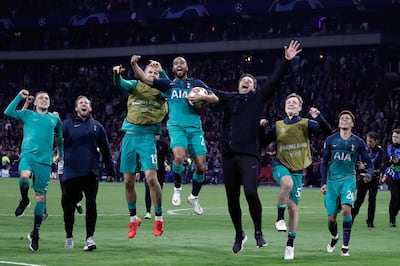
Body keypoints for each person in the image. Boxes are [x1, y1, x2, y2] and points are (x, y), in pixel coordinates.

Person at [192, 40, 302, 254]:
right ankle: (239, 233)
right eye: (243, 80)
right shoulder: (229, 98)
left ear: (254, 87)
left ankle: (258, 232)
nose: (246, 82)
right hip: (229, 155)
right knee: (232, 198)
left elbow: (274, 81)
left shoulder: (257, 99)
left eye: (250, 81)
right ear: (238, 85)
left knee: (251, 192)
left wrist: (286, 62)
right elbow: (210, 91)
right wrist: (196, 90)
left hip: (249, 155)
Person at [131, 55, 213, 215]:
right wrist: (134, 64)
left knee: (201, 167)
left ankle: (194, 197)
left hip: (195, 129)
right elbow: (146, 79)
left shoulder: (197, 84)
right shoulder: (169, 85)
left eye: (182, 62)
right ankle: (177, 186)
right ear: (173, 69)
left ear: (187, 67)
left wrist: (203, 97)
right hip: (177, 127)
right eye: (175, 63)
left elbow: (214, 98)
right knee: (179, 157)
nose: (179, 65)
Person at [265, 93, 332, 260]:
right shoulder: (278, 125)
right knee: (286, 184)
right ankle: (279, 219)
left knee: (293, 209)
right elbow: (262, 140)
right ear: (285, 106)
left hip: (297, 169)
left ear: (300, 108)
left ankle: (290, 244)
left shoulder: (306, 124)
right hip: (280, 163)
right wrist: (261, 127)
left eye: (295, 102)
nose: (291, 104)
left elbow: (328, 132)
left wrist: (319, 117)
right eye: (289, 102)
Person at [4, 89, 63, 252]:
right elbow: (8, 111)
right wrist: (20, 97)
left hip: (44, 161)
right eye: (41, 98)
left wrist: (61, 153)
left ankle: (35, 233)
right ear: (35, 102)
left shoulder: (54, 119)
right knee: (24, 176)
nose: (44, 100)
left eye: (47, 98)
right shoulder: (28, 115)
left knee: (41, 198)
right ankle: (24, 200)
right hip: (28, 156)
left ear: (49, 103)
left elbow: (59, 136)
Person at [113, 60, 166, 237]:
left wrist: (162, 71)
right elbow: (119, 83)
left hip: (148, 138)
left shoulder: (162, 89)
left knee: (151, 178)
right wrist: (116, 74)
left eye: (155, 73)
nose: (153, 75)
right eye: (150, 72)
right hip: (129, 136)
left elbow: (171, 86)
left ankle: (159, 218)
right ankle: (133, 218)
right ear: (143, 73)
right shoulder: (135, 85)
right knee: (128, 181)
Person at [61, 95, 115, 251]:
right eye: (81, 103)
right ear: (76, 108)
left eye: (86, 103)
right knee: (68, 206)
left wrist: (110, 171)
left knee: (91, 203)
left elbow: (105, 150)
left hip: (91, 170)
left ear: (90, 108)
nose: (84, 105)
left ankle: (89, 238)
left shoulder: (97, 127)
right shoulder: (66, 125)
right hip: (71, 171)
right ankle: (69, 236)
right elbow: (55, 141)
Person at [320, 110, 373, 257]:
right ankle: (335, 237)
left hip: (348, 180)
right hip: (331, 182)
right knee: (331, 219)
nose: (344, 119)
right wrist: (323, 182)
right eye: (342, 118)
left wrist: (368, 174)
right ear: (338, 123)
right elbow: (324, 163)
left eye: (347, 118)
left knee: (346, 210)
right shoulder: (330, 140)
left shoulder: (358, 142)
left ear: (352, 123)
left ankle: (345, 246)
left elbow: (369, 163)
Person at [351, 131, 386, 228]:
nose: (368, 143)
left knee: (372, 199)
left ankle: (370, 221)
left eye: (370, 141)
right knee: (359, 200)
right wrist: (360, 169)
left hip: (374, 179)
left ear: (376, 141)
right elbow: (357, 162)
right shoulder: (362, 149)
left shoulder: (380, 151)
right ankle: (351, 218)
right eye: (367, 141)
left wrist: (365, 166)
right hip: (363, 178)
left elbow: (379, 165)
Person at [144, 135, 171, 219]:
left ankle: (158, 210)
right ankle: (148, 211)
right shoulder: (147, 144)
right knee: (148, 190)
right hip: (149, 170)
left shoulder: (164, 145)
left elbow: (169, 156)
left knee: (158, 192)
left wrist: (169, 165)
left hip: (160, 172)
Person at [383, 128, 400, 227]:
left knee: (398, 199)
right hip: (393, 176)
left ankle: (394, 214)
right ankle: (392, 220)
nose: (394, 139)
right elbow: (384, 162)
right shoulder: (389, 148)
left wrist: (399, 162)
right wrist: (389, 162)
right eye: (393, 137)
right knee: (394, 197)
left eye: (397, 137)